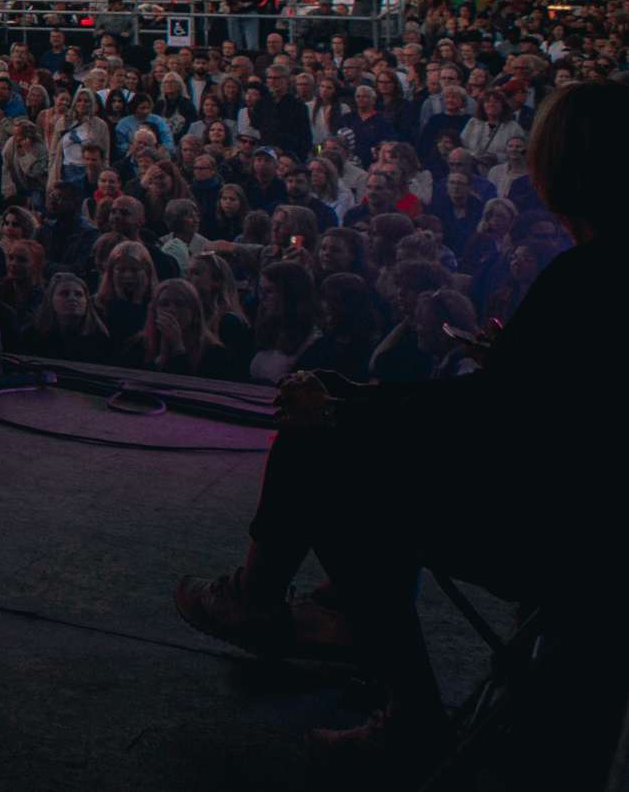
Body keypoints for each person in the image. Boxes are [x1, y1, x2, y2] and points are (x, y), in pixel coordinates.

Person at [175, 79, 623, 771]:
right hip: (581, 508)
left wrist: (352, 407)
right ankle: (275, 601)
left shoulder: (584, 278)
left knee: (329, 452)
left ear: (557, 169)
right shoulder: (595, 274)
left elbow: (487, 421)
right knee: (329, 400)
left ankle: (386, 684)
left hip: (562, 533)